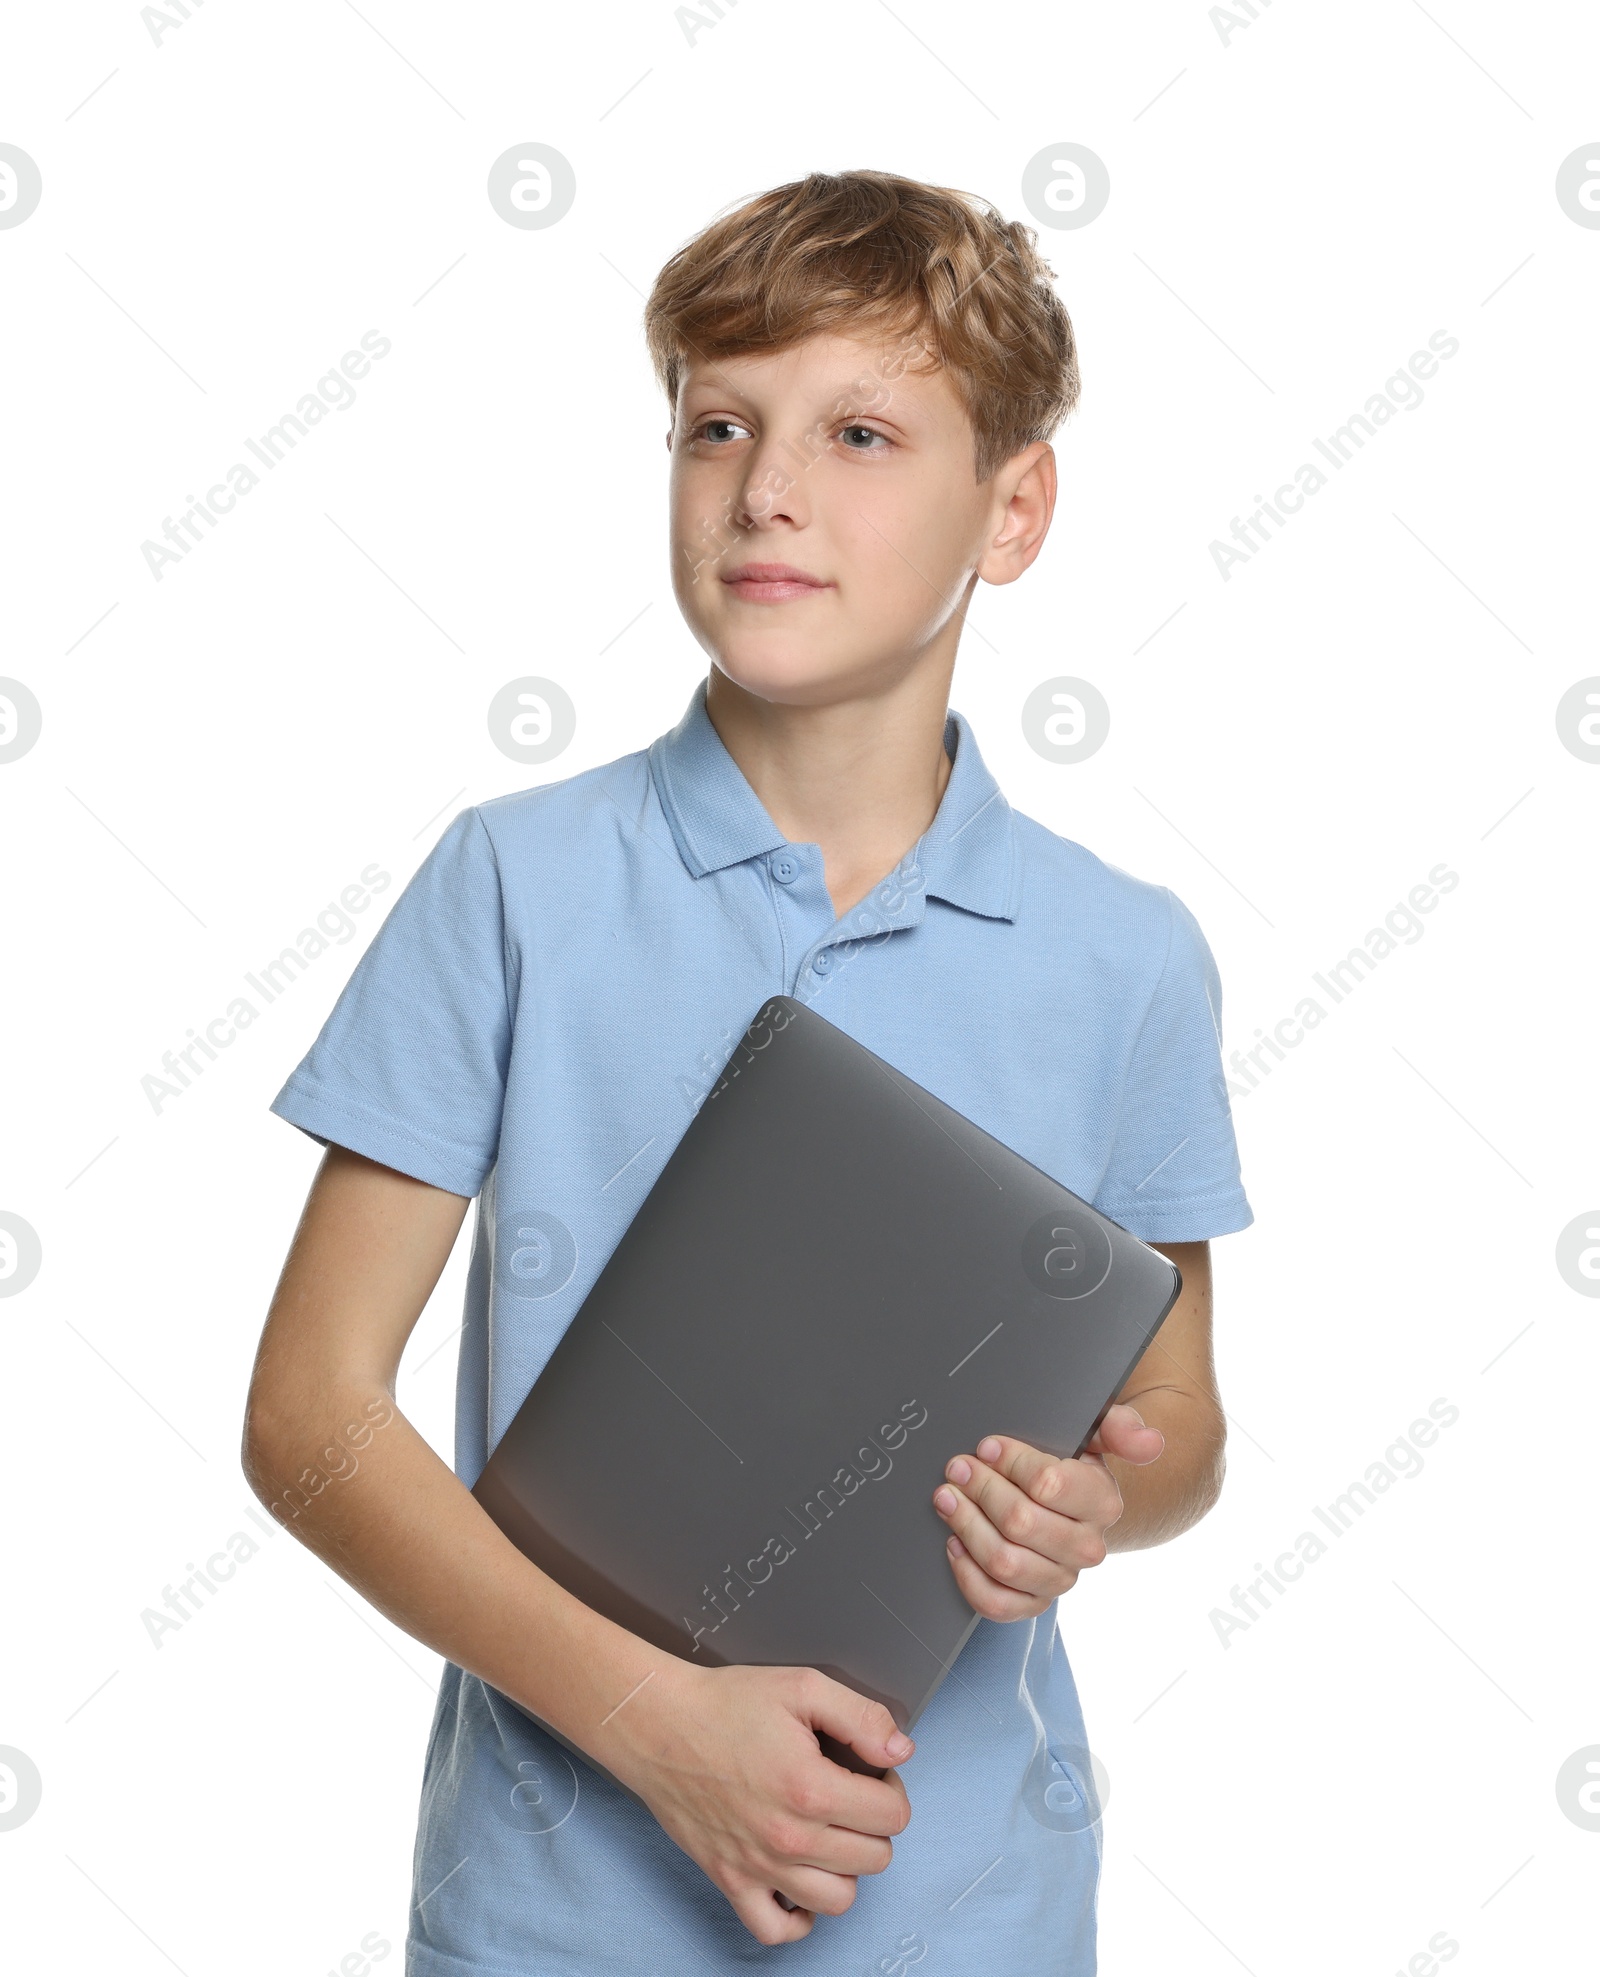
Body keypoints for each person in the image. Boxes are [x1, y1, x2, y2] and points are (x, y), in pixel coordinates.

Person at [244, 167, 1253, 1974]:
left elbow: (1178, 1422)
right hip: (552, 1916)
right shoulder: (513, 882)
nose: (767, 489)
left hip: (973, 1922)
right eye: (720, 426)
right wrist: (649, 1725)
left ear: (1013, 508)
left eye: (861, 431)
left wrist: (1109, 1493)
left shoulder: (1128, 954)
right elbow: (310, 1418)